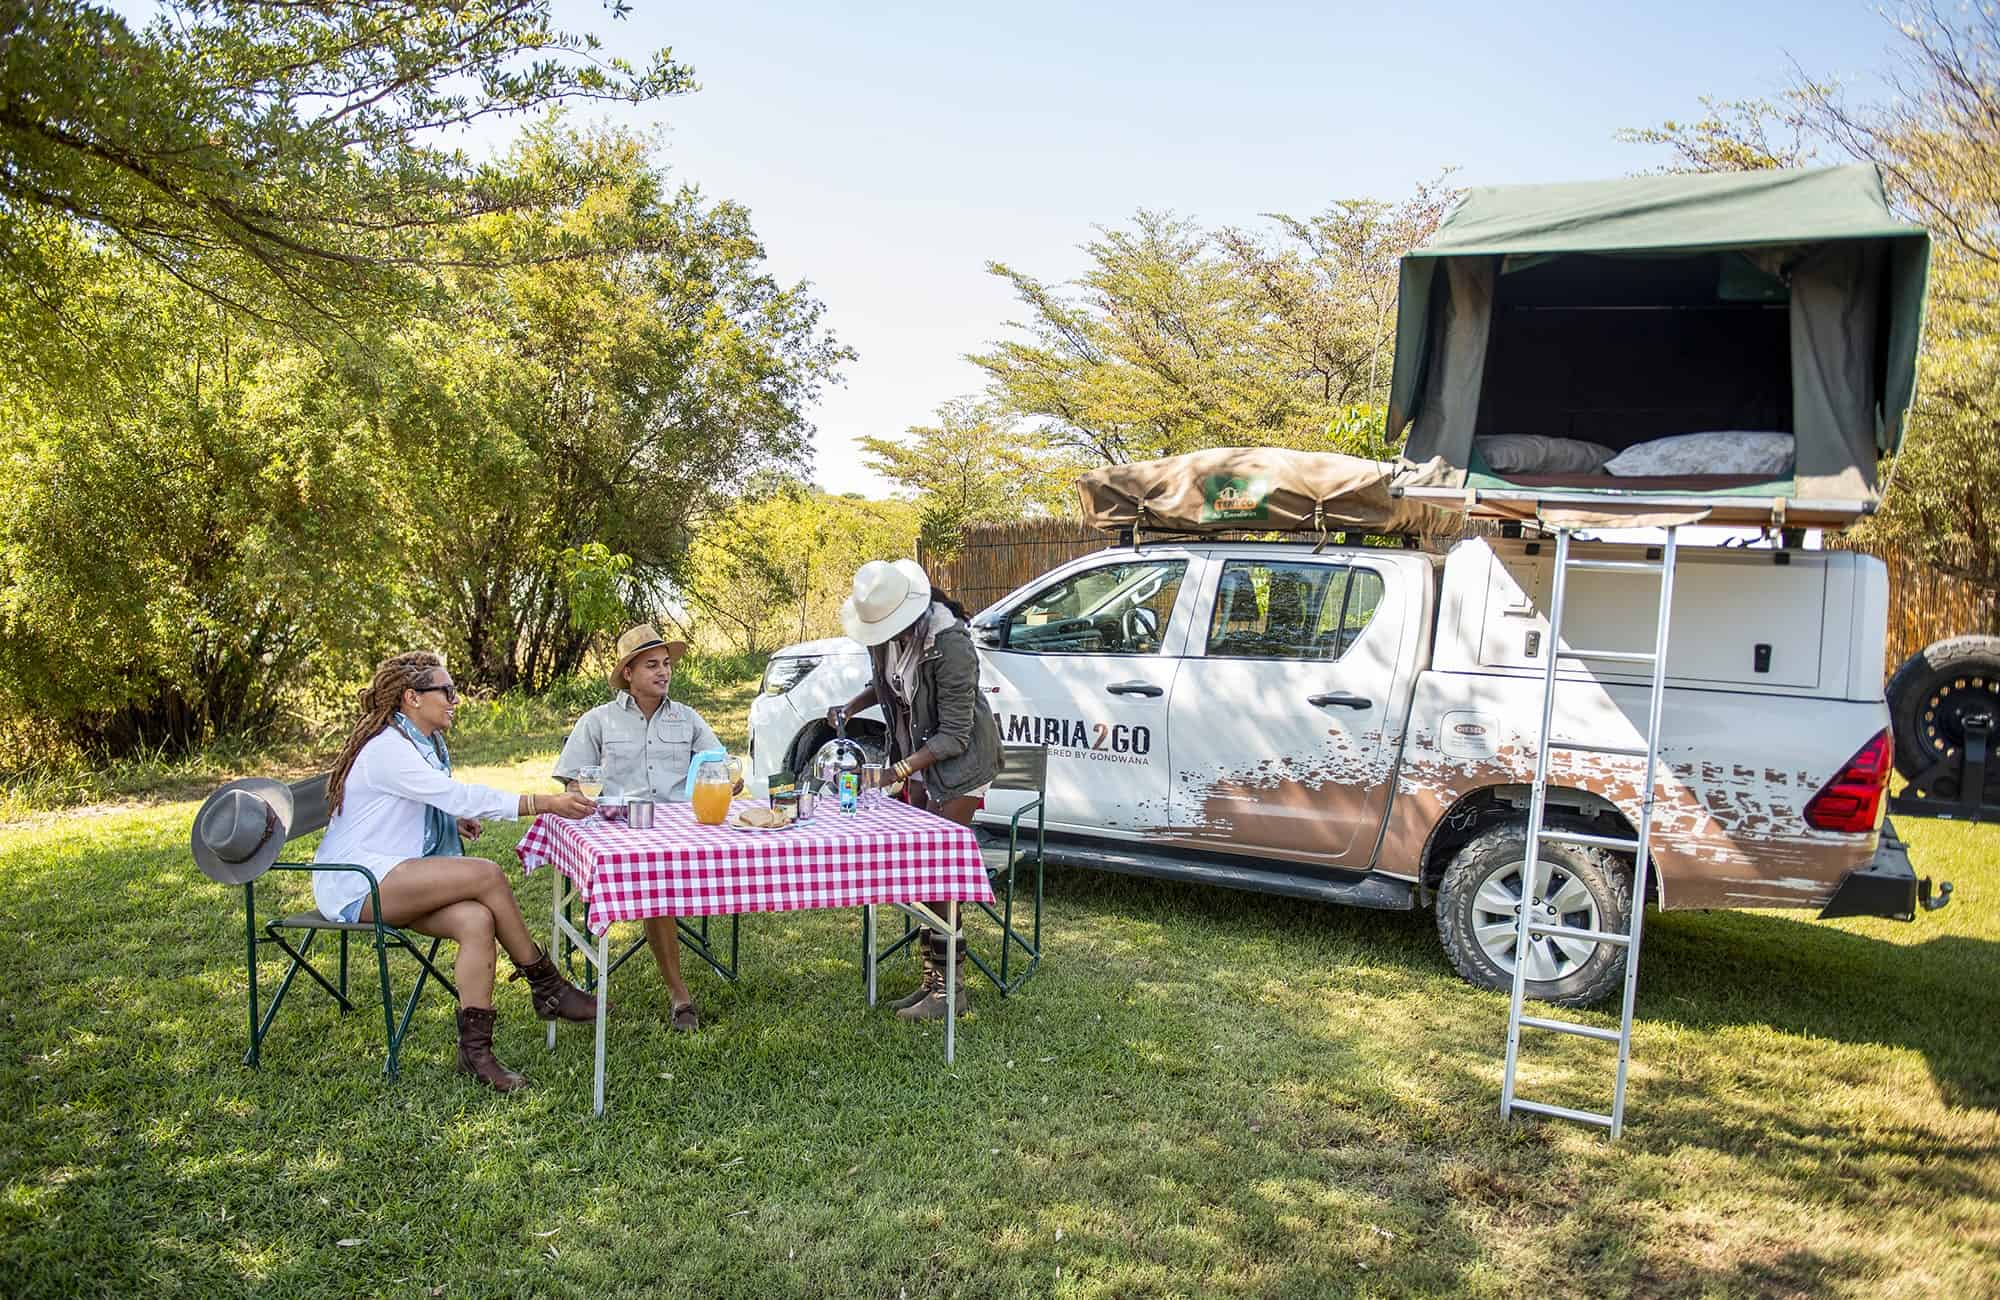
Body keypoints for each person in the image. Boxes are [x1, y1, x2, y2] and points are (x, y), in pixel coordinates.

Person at [313, 651, 600, 1093]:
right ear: (412, 698)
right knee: (486, 874)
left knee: (476, 919)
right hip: (358, 882)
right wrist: (543, 802)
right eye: (445, 691)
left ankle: (476, 1055)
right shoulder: (389, 749)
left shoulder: (421, 744)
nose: (455, 699)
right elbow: (456, 794)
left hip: (395, 874)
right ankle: (547, 985)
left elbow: (420, 803)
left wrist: (446, 820)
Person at [829, 559, 1000, 1021]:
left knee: (939, 868)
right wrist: (852, 704)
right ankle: (933, 981)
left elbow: (956, 734)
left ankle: (950, 992)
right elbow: (885, 685)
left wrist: (897, 772)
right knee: (922, 871)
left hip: (961, 765)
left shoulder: (951, 643)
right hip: (921, 759)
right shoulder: (884, 638)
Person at [552, 623, 738, 1033]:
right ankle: (680, 995)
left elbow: (719, 766)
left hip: (684, 832)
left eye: (667, 664)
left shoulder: (687, 719)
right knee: (658, 887)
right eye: (651, 665)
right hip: (623, 834)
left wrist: (729, 777)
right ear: (629, 674)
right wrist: (583, 795)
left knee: (733, 856)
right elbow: (572, 783)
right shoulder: (598, 721)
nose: (663, 672)